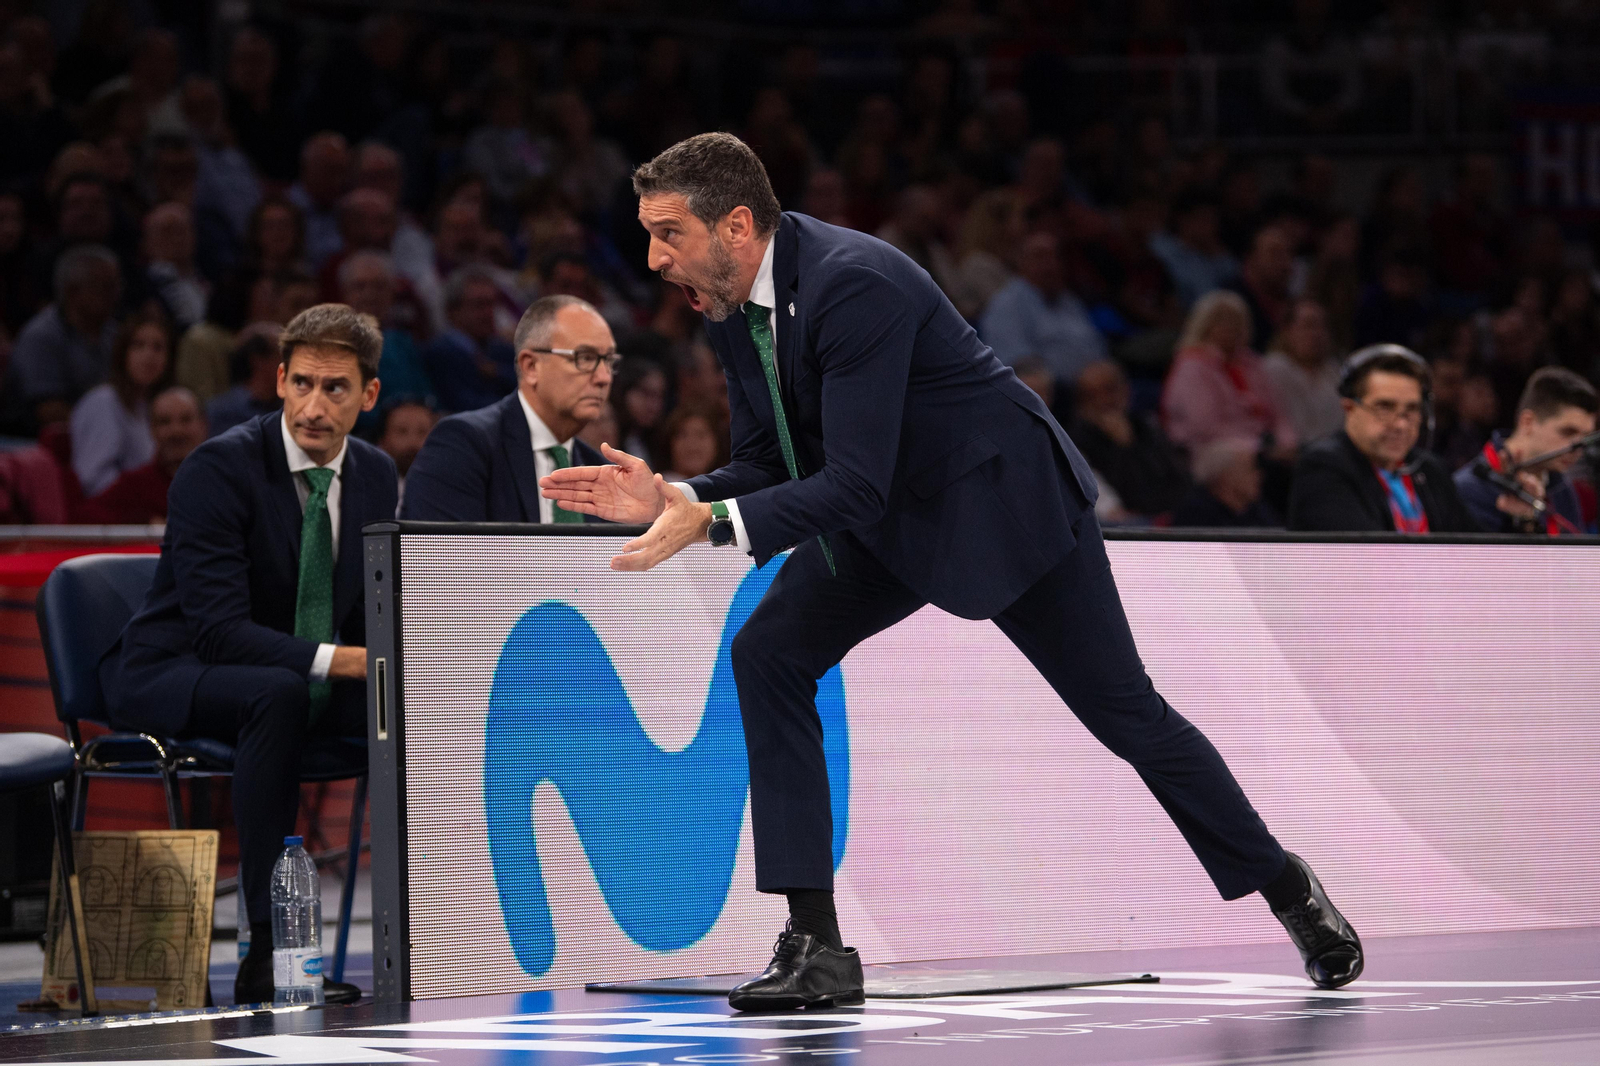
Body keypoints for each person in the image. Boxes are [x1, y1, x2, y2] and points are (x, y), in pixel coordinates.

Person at [543, 133, 1363, 1011]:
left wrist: (706, 524)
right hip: (881, 513)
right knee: (769, 653)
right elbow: (770, 460)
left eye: (668, 233)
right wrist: (674, 494)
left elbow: (852, 481)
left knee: (1128, 717)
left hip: (999, 507)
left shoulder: (854, 281)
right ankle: (815, 944)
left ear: (736, 224)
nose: (654, 257)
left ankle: (1285, 886)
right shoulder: (730, 302)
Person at [99, 304, 395, 1006]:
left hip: (288, 670)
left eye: (336, 389)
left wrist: (387, 664)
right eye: (303, 384)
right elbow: (217, 632)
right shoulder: (219, 468)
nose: (314, 407)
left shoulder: (378, 474)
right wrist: (351, 662)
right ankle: (270, 951)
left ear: (370, 395)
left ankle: (421, 932)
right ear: (280, 381)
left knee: (413, 697)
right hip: (178, 669)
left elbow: (362, 608)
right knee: (279, 693)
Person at [402, 295, 614, 523]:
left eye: (609, 361)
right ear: (531, 367)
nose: (603, 377)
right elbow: (444, 556)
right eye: (585, 358)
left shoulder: (603, 471)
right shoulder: (464, 444)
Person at [1288, 345, 1477, 532]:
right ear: (1349, 408)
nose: (1401, 425)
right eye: (1385, 408)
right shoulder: (1323, 468)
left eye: (1411, 409)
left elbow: (1478, 549)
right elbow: (1365, 556)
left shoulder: (1431, 470)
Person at [1453, 367, 1597, 536]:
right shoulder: (1468, 488)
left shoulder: (1561, 486)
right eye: (1568, 432)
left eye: (1585, 437)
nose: (1578, 449)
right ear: (1528, 422)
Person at [1163, 290, 1298, 459]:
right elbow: (1204, 427)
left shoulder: (1253, 364)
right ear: (1204, 325)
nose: (1230, 327)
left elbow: (1279, 415)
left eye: (1236, 321)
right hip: (1209, 451)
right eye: (1221, 321)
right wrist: (1258, 447)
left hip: (1261, 446)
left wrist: (1287, 442)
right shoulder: (1191, 366)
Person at [3, 244, 121, 435]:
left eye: (117, 285)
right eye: (106, 287)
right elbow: (49, 412)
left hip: (103, 436)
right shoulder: (41, 337)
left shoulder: (113, 332)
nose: (116, 294)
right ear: (72, 291)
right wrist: (113, 426)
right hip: (38, 445)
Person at [978, 230, 1108, 385]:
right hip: (1046, 395)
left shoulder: (1069, 301)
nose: (1051, 264)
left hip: (1090, 390)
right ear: (1021, 262)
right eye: (1040, 257)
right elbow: (1016, 364)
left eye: (1055, 256)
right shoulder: (1007, 304)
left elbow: (1097, 349)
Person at [1069, 359, 1190, 521]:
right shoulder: (1075, 442)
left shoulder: (1146, 425)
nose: (1103, 401)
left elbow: (1176, 479)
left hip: (1169, 515)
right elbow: (1126, 496)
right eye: (1091, 396)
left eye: (1109, 390)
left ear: (1126, 389)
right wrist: (1122, 447)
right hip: (1127, 526)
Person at [70, 311, 173, 496]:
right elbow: (93, 477)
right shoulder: (103, 402)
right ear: (122, 352)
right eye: (138, 345)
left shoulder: (156, 405)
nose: (149, 355)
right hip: (117, 515)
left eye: (158, 347)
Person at [77, 386, 206, 523]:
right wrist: (143, 522)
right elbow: (84, 517)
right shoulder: (136, 485)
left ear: (203, 425)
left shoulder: (222, 480)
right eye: (164, 422)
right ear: (152, 429)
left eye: (186, 420)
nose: (176, 431)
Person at [420, 267, 518, 413]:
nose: (488, 313)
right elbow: (463, 405)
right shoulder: (441, 353)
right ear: (452, 311)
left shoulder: (501, 349)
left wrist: (498, 372)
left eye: (491, 304)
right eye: (479, 305)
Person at [1262, 298, 1344, 444]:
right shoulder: (1275, 368)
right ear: (1288, 331)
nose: (1316, 334)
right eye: (1308, 325)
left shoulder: (1335, 371)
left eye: (1322, 327)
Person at [1172, 438, 1279, 528]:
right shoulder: (1195, 514)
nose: (1259, 476)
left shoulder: (1257, 509)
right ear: (1225, 476)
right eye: (1250, 469)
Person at [375, 397, 437, 514]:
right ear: (382, 440)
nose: (413, 442)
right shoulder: (367, 488)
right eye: (402, 431)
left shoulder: (446, 488)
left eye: (422, 431)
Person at [658, 403, 727, 482]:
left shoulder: (729, 488)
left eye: (701, 435)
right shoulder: (656, 487)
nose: (692, 444)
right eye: (683, 435)